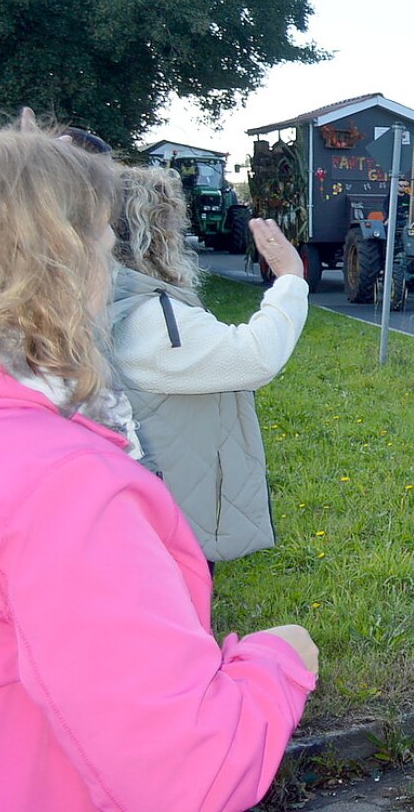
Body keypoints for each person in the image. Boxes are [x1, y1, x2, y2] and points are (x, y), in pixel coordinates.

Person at [0, 124, 316, 811]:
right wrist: (280, 660)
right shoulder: (62, 490)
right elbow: (189, 775)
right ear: (57, 267)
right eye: (98, 248)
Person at [109, 166, 310, 567]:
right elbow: (254, 357)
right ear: (155, 232)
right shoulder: (150, 317)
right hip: (171, 513)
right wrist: (290, 278)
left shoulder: (108, 296)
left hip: (146, 503)